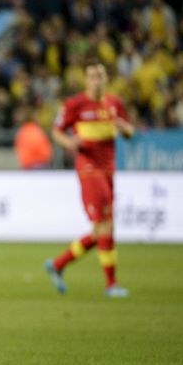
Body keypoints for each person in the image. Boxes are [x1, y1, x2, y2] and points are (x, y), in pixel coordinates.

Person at [45, 61, 134, 298]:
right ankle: (111, 284)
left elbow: (129, 132)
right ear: (86, 80)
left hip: (109, 170)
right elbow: (56, 130)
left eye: (101, 75)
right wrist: (69, 143)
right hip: (89, 169)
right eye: (92, 76)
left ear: (107, 78)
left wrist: (124, 127)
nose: (97, 80)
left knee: (100, 231)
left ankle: (58, 264)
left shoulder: (115, 103)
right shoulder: (75, 104)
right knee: (106, 226)